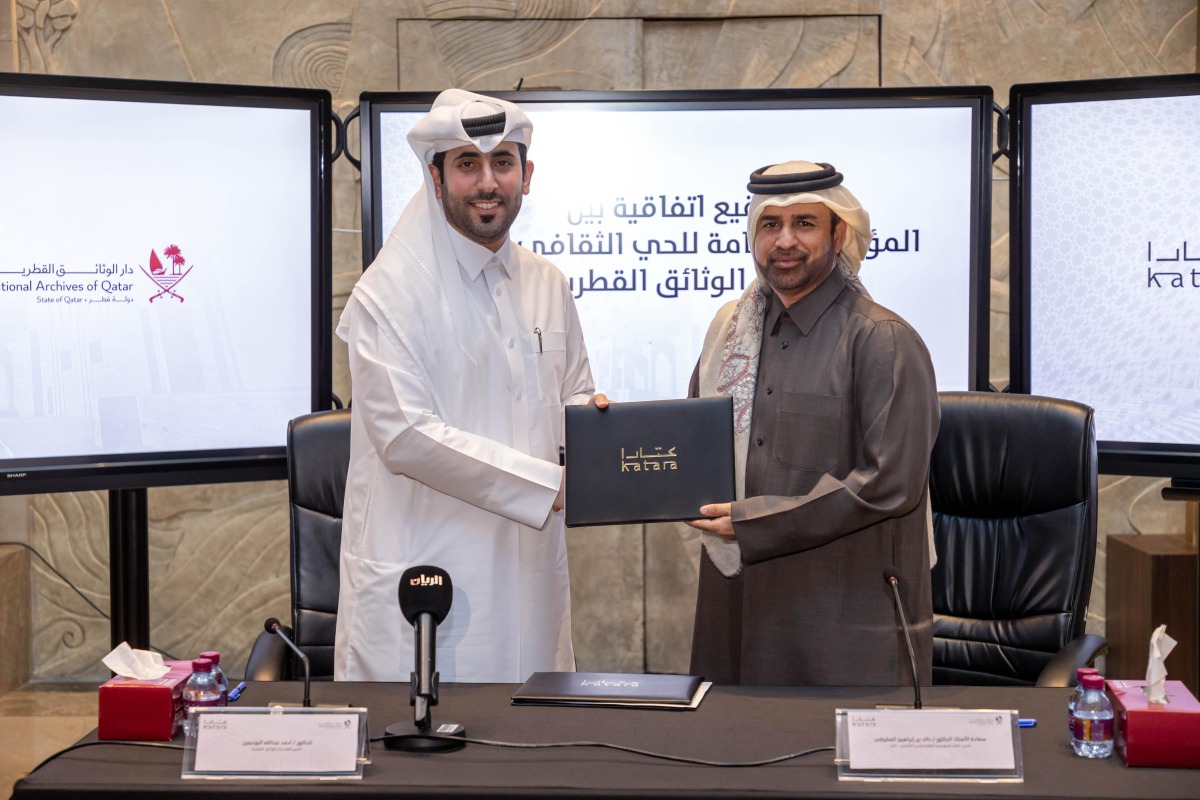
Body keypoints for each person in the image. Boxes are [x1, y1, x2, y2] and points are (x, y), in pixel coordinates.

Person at [334, 89, 603, 682]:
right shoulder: (389, 293)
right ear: (435, 179)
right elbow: (406, 436)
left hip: (528, 577)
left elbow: (576, 392)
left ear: (526, 176)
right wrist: (547, 485)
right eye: (467, 165)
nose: (488, 181)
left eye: (503, 163)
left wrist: (600, 432)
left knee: (531, 753)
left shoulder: (547, 282)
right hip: (430, 576)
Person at [685, 160, 939, 686]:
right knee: (724, 756)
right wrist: (614, 449)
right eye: (770, 225)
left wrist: (755, 524)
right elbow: (690, 443)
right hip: (735, 606)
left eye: (805, 223)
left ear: (838, 232)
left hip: (840, 618)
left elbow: (888, 484)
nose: (785, 241)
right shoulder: (729, 336)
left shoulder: (881, 341)